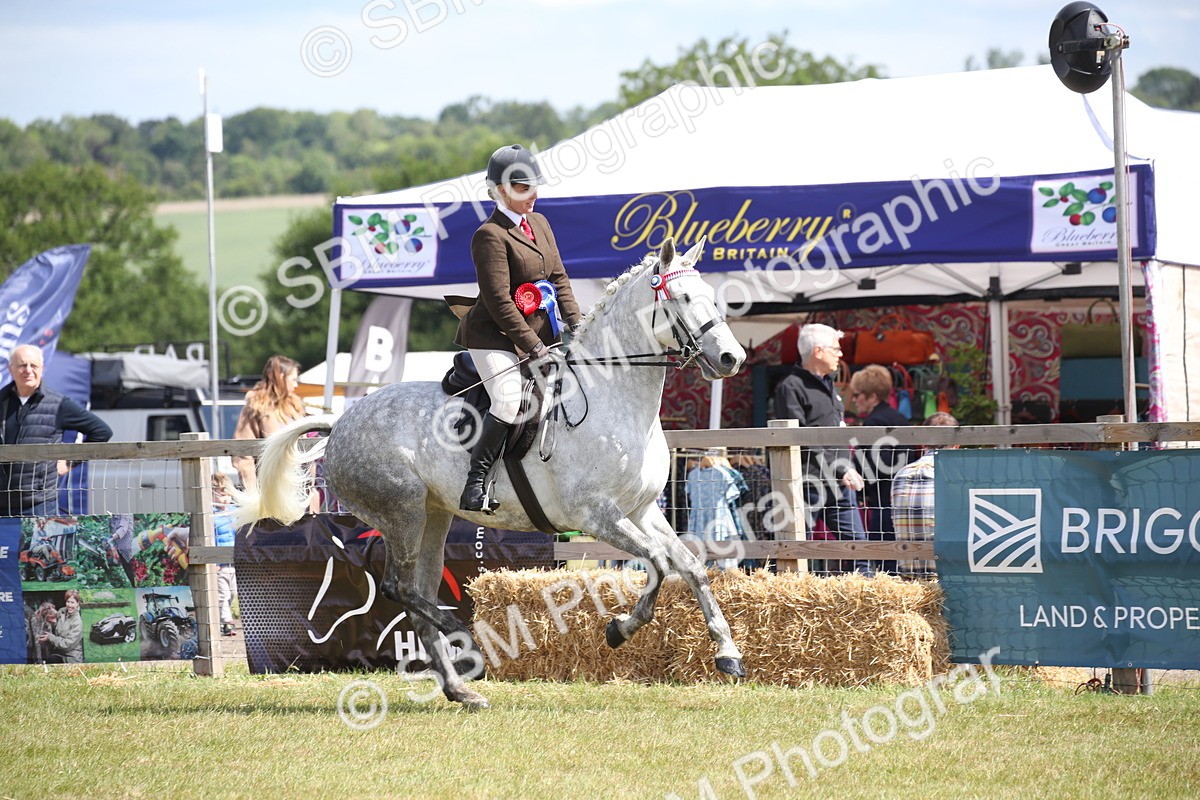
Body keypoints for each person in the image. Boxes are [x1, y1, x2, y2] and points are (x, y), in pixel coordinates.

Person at [454, 143, 582, 513]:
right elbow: (499, 303)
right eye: (524, 188)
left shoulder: (540, 224)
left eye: (534, 187)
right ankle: (474, 483)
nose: (533, 194)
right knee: (509, 401)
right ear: (500, 191)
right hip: (493, 337)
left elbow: (559, 279)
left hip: (538, 334)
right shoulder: (489, 235)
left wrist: (579, 326)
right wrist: (535, 347)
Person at [771, 323, 871, 576]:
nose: (840, 354)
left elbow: (835, 435)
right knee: (793, 551)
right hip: (807, 483)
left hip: (838, 483)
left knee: (860, 549)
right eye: (835, 349)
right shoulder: (790, 387)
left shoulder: (829, 385)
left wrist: (845, 468)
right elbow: (801, 438)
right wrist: (842, 469)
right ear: (818, 351)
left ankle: (869, 592)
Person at [0, 344, 112, 517]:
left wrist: (69, 462)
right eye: (22, 365)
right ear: (11, 369)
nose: (28, 370)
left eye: (33, 365)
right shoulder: (1, 401)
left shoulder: (59, 404)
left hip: (39, 504)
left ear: (42, 369)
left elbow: (102, 432)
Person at [848, 364, 912, 574]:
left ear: (872, 396)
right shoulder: (899, 418)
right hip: (904, 499)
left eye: (857, 395)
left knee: (886, 564)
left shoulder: (874, 422)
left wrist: (859, 486)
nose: (854, 400)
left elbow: (875, 467)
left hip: (883, 501)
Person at [232, 355, 316, 509]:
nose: (296, 385)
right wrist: (252, 495)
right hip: (269, 488)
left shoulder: (294, 406)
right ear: (281, 377)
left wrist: (309, 487)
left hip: (297, 487)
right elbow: (243, 453)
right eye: (293, 379)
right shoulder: (256, 405)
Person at [891, 411, 959, 579]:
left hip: (908, 577)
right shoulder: (955, 477)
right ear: (956, 445)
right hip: (946, 578)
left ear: (923, 443)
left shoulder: (901, 475)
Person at [684, 449, 742, 571]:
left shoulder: (721, 474)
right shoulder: (692, 475)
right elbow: (731, 495)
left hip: (713, 519)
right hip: (710, 519)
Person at [211, 472, 240, 636]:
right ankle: (227, 623)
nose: (226, 499)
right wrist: (214, 562)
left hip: (233, 561)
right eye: (222, 495)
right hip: (220, 564)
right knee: (223, 594)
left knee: (233, 593)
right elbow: (211, 538)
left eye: (228, 495)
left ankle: (223, 618)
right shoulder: (210, 515)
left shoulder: (234, 512)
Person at [37, 588, 83, 663]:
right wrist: (53, 623)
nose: (69, 605)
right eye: (68, 601)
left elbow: (66, 645)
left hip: (71, 657)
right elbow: (59, 628)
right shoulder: (62, 612)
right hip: (59, 653)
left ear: (77, 603)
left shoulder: (77, 622)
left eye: (72, 602)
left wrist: (50, 637)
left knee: (51, 661)